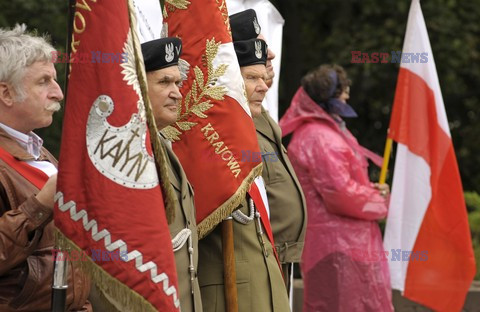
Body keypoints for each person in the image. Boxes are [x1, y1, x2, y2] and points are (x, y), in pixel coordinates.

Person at [279, 64, 393, 312]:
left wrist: (372, 190)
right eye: (343, 91)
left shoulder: (325, 132)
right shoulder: (321, 137)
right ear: (329, 96)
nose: (347, 96)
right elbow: (340, 194)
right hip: (339, 248)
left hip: (341, 245)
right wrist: (379, 201)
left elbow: (342, 186)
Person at [0, 25, 91, 311]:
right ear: (7, 94)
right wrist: (39, 206)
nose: (59, 93)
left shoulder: (40, 150)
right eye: (43, 81)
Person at [197, 38, 290, 312]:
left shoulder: (248, 133)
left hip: (266, 288)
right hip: (228, 294)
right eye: (251, 78)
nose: (264, 86)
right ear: (229, 84)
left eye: (263, 77)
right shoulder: (206, 142)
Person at [230, 9, 307, 288]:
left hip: (278, 253)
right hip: (257, 257)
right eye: (259, 45)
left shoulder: (259, 113)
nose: (270, 54)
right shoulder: (231, 118)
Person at [142, 37, 202, 312]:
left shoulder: (160, 145)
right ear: (139, 87)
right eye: (164, 82)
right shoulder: (130, 153)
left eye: (177, 83)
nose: (177, 93)